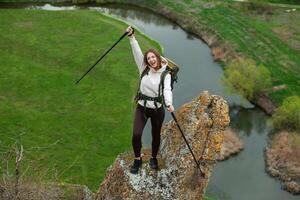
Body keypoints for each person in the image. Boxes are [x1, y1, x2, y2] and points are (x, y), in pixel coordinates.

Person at [126, 26, 175, 174]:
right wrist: (132, 37)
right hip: (142, 107)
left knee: (155, 135)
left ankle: (153, 157)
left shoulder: (165, 74)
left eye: (153, 57)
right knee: (136, 134)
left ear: (158, 57)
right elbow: (137, 52)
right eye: (148, 58)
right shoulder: (144, 69)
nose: (151, 60)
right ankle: (137, 159)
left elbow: (167, 89)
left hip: (158, 109)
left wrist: (169, 103)